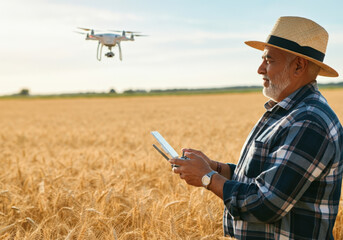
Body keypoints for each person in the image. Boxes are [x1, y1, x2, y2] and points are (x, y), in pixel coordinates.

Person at [170, 16, 343, 240]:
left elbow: (266, 203)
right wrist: (216, 167)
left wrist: (207, 177)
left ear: (299, 66)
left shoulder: (308, 121)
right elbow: (265, 178)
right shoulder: (289, 113)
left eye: (269, 61)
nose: (260, 69)